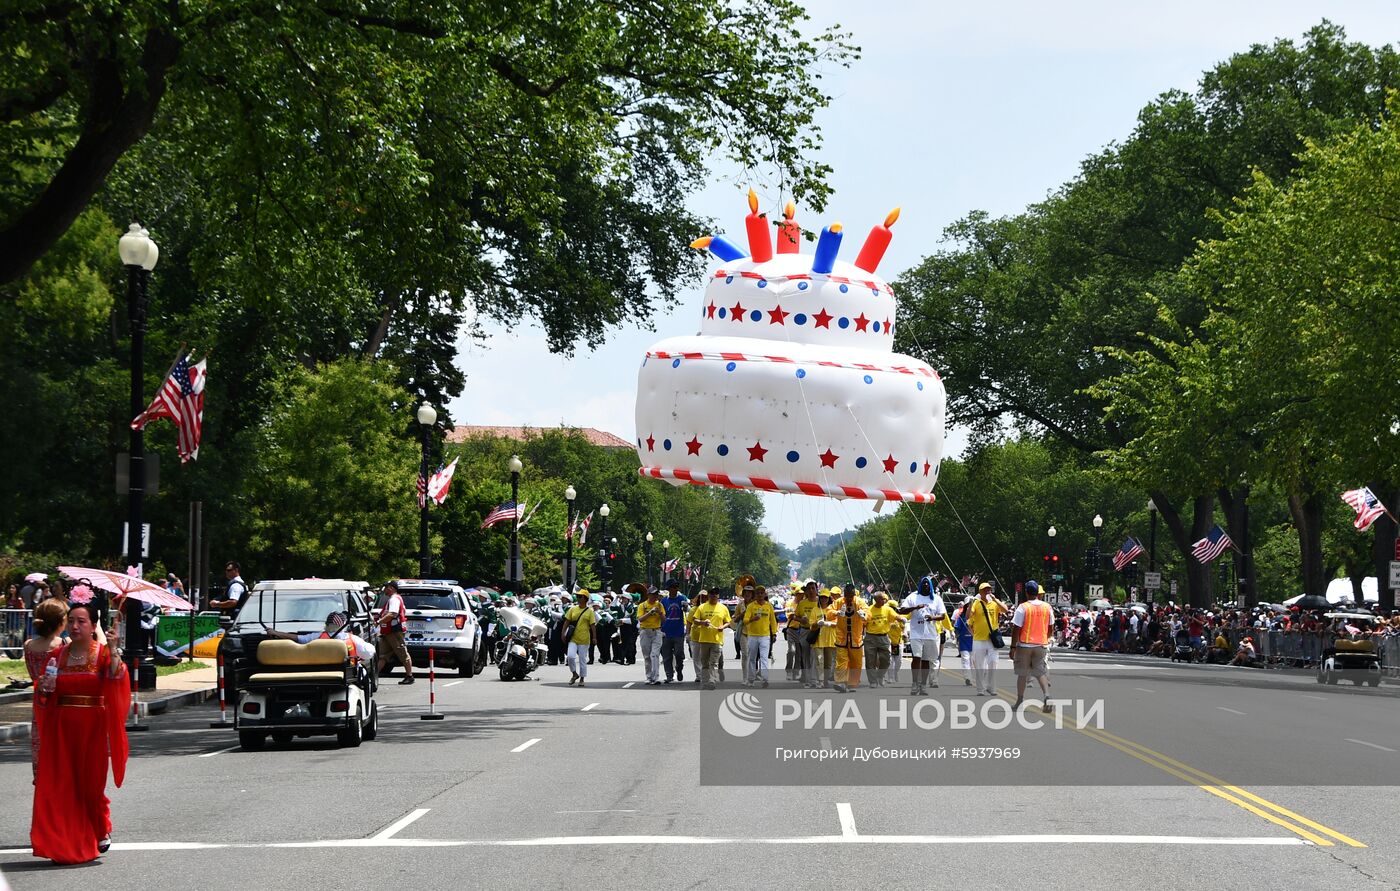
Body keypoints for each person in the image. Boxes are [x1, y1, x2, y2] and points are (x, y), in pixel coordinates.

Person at [30, 601, 130, 864]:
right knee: (59, 787)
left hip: (92, 730)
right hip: (61, 731)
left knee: (90, 786)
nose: (75, 626)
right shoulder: (56, 657)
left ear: (93, 625)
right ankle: (62, 842)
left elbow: (117, 679)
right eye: (71, 620)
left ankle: (99, 828)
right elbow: (42, 695)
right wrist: (44, 689)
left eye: (81, 621)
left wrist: (115, 649)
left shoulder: (103, 655)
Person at [24, 599, 68, 779]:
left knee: (40, 739)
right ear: (60, 622)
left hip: (39, 700)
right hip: (60, 701)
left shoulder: (28, 645)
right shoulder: (64, 644)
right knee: (60, 742)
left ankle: (41, 775)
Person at [898, 576, 947, 695]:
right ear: (920, 584)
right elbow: (902, 610)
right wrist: (915, 607)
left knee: (926, 661)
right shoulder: (913, 597)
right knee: (917, 658)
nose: (925, 585)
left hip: (930, 634)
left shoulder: (936, 599)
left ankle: (923, 685)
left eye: (927, 584)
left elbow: (942, 616)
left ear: (930, 585)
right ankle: (915, 683)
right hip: (916, 633)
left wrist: (932, 617)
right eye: (924, 583)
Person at [266, 610, 375, 663]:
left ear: (327, 624)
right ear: (343, 625)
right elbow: (369, 653)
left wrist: (276, 633)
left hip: (321, 671)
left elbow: (298, 638)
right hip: (345, 673)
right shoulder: (352, 639)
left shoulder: (317, 637)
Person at [1010, 580, 1054, 712]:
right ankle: (1047, 695)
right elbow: (1051, 626)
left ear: (1026, 592)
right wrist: (1046, 637)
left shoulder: (1023, 607)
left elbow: (1016, 628)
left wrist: (1013, 647)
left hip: (1025, 644)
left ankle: (1019, 700)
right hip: (1041, 644)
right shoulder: (1047, 607)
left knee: (1022, 674)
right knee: (1040, 672)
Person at [967, 582, 1006, 696]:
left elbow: (1004, 610)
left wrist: (996, 599)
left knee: (993, 663)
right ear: (980, 592)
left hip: (992, 639)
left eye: (989, 589)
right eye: (985, 590)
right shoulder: (977, 603)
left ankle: (992, 687)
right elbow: (968, 616)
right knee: (979, 666)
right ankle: (980, 689)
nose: (987, 591)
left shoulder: (994, 603)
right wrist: (970, 604)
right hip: (979, 639)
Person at [690, 588, 731, 690]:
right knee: (704, 663)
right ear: (708, 596)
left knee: (713, 662)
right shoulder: (702, 607)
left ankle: (712, 681)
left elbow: (728, 622)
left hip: (717, 640)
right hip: (703, 640)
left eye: (716, 594)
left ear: (718, 596)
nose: (714, 596)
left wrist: (723, 627)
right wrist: (703, 622)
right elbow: (694, 620)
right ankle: (705, 681)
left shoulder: (723, 608)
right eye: (712, 594)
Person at [374, 581, 415, 684]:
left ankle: (409, 676)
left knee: (402, 653)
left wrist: (378, 622)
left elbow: (392, 614)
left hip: (394, 631)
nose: (384, 590)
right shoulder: (394, 599)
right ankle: (373, 677)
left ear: (391, 588)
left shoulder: (394, 599)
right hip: (388, 632)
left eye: (386, 587)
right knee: (382, 655)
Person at [742, 584, 778, 688]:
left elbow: (773, 621)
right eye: (758, 593)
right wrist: (752, 619)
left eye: (762, 593)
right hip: (753, 636)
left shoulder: (768, 606)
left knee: (764, 658)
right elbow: (745, 620)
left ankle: (765, 679)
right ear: (755, 595)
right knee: (752, 658)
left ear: (764, 594)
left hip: (765, 636)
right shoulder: (751, 606)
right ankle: (751, 679)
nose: (760, 595)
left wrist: (774, 633)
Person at [833, 585, 867, 693]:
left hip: (855, 639)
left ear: (854, 594)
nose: (848, 598)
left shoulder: (859, 602)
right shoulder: (838, 602)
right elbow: (829, 611)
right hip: (841, 638)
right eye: (846, 596)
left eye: (850, 596)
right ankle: (841, 682)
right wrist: (836, 613)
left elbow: (868, 612)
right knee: (841, 661)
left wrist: (864, 615)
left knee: (856, 662)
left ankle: (852, 683)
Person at [789, 581, 821, 687]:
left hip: (817, 632)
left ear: (817, 590)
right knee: (806, 656)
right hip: (804, 631)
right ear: (806, 591)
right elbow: (794, 616)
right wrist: (800, 619)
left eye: (813, 588)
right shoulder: (802, 603)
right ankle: (807, 679)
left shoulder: (821, 602)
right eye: (809, 589)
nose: (811, 591)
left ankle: (814, 680)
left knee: (814, 655)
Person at [563, 590, 597, 687]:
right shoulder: (573, 609)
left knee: (582, 659)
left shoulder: (590, 611)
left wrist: (594, 637)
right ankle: (574, 674)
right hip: (573, 638)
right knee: (570, 657)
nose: (578, 598)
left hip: (584, 639)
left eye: (580, 596)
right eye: (577, 596)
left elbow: (593, 625)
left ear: (585, 599)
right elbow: (567, 622)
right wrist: (563, 634)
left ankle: (582, 678)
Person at [864, 591, 897, 687]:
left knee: (886, 660)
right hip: (870, 638)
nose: (884, 600)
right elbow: (863, 623)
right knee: (870, 661)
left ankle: (880, 675)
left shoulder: (887, 609)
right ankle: (873, 681)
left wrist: (901, 618)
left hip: (883, 637)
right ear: (876, 600)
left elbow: (895, 616)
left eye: (884, 599)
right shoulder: (869, 609)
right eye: (882, 599)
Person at [659, 581, 688, 684]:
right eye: (672, 587)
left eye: (676, 587)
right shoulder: (664, 601)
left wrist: (685, 607)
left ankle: (679, 668)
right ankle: (669, 676)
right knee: (666, 656)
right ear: (669, 589)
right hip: (666, 631)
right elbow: (661, 615)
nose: (675, 589)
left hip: (678, 631)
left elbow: (686, 610)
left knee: (679, 653)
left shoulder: (682, 598)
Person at [637, 586, 666, 685]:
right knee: (647, 656)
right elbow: (640, 619)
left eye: (656, 594)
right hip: (645, 631)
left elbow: (664, 619)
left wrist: (660, 613)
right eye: (653, 594)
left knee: (655, 654)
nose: (655, 596)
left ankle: (656, 677)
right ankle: (649, 677)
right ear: (648, 595)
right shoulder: (642, 605)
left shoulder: (660, 605)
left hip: (656, 631)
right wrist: (650, 612)